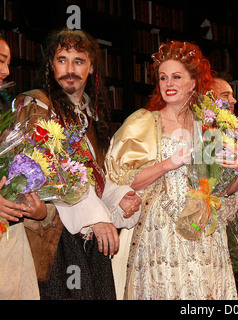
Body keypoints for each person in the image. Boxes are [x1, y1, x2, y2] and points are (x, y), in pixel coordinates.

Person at [104, 40, 238, 300]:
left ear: (193, 82)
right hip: (161, 233)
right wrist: (169, 163)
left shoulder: (211, 125)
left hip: (206, 234)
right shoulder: (144, 122)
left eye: (176, 77)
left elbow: (223, 192)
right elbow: (125, 181)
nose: (168, 84)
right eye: (163, 78)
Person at [12, 28, 142, 300]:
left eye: (78, 61)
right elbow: (46, 174)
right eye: (62, 60)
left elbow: (91, 176)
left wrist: (118, 197)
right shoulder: (37, 104)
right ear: (50, 64)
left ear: (91, 66)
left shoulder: (89, 115)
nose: (69, 69)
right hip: (52, 239)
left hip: (86, 237)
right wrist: (95, 217)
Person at [0, 36, 46, 300]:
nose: (6, 72)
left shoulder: (11, 116)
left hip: (12, 243)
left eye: (8, 63)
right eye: (0, 61)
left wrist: (37, 211)